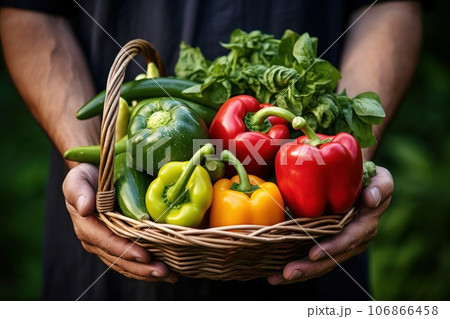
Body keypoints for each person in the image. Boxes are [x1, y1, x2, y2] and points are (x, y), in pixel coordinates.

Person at [0, 0, 422, 300]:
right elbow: (30, 12)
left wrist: (353, 168)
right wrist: (86, 153)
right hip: (111, 267)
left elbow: (390, 6)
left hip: (311, 260)